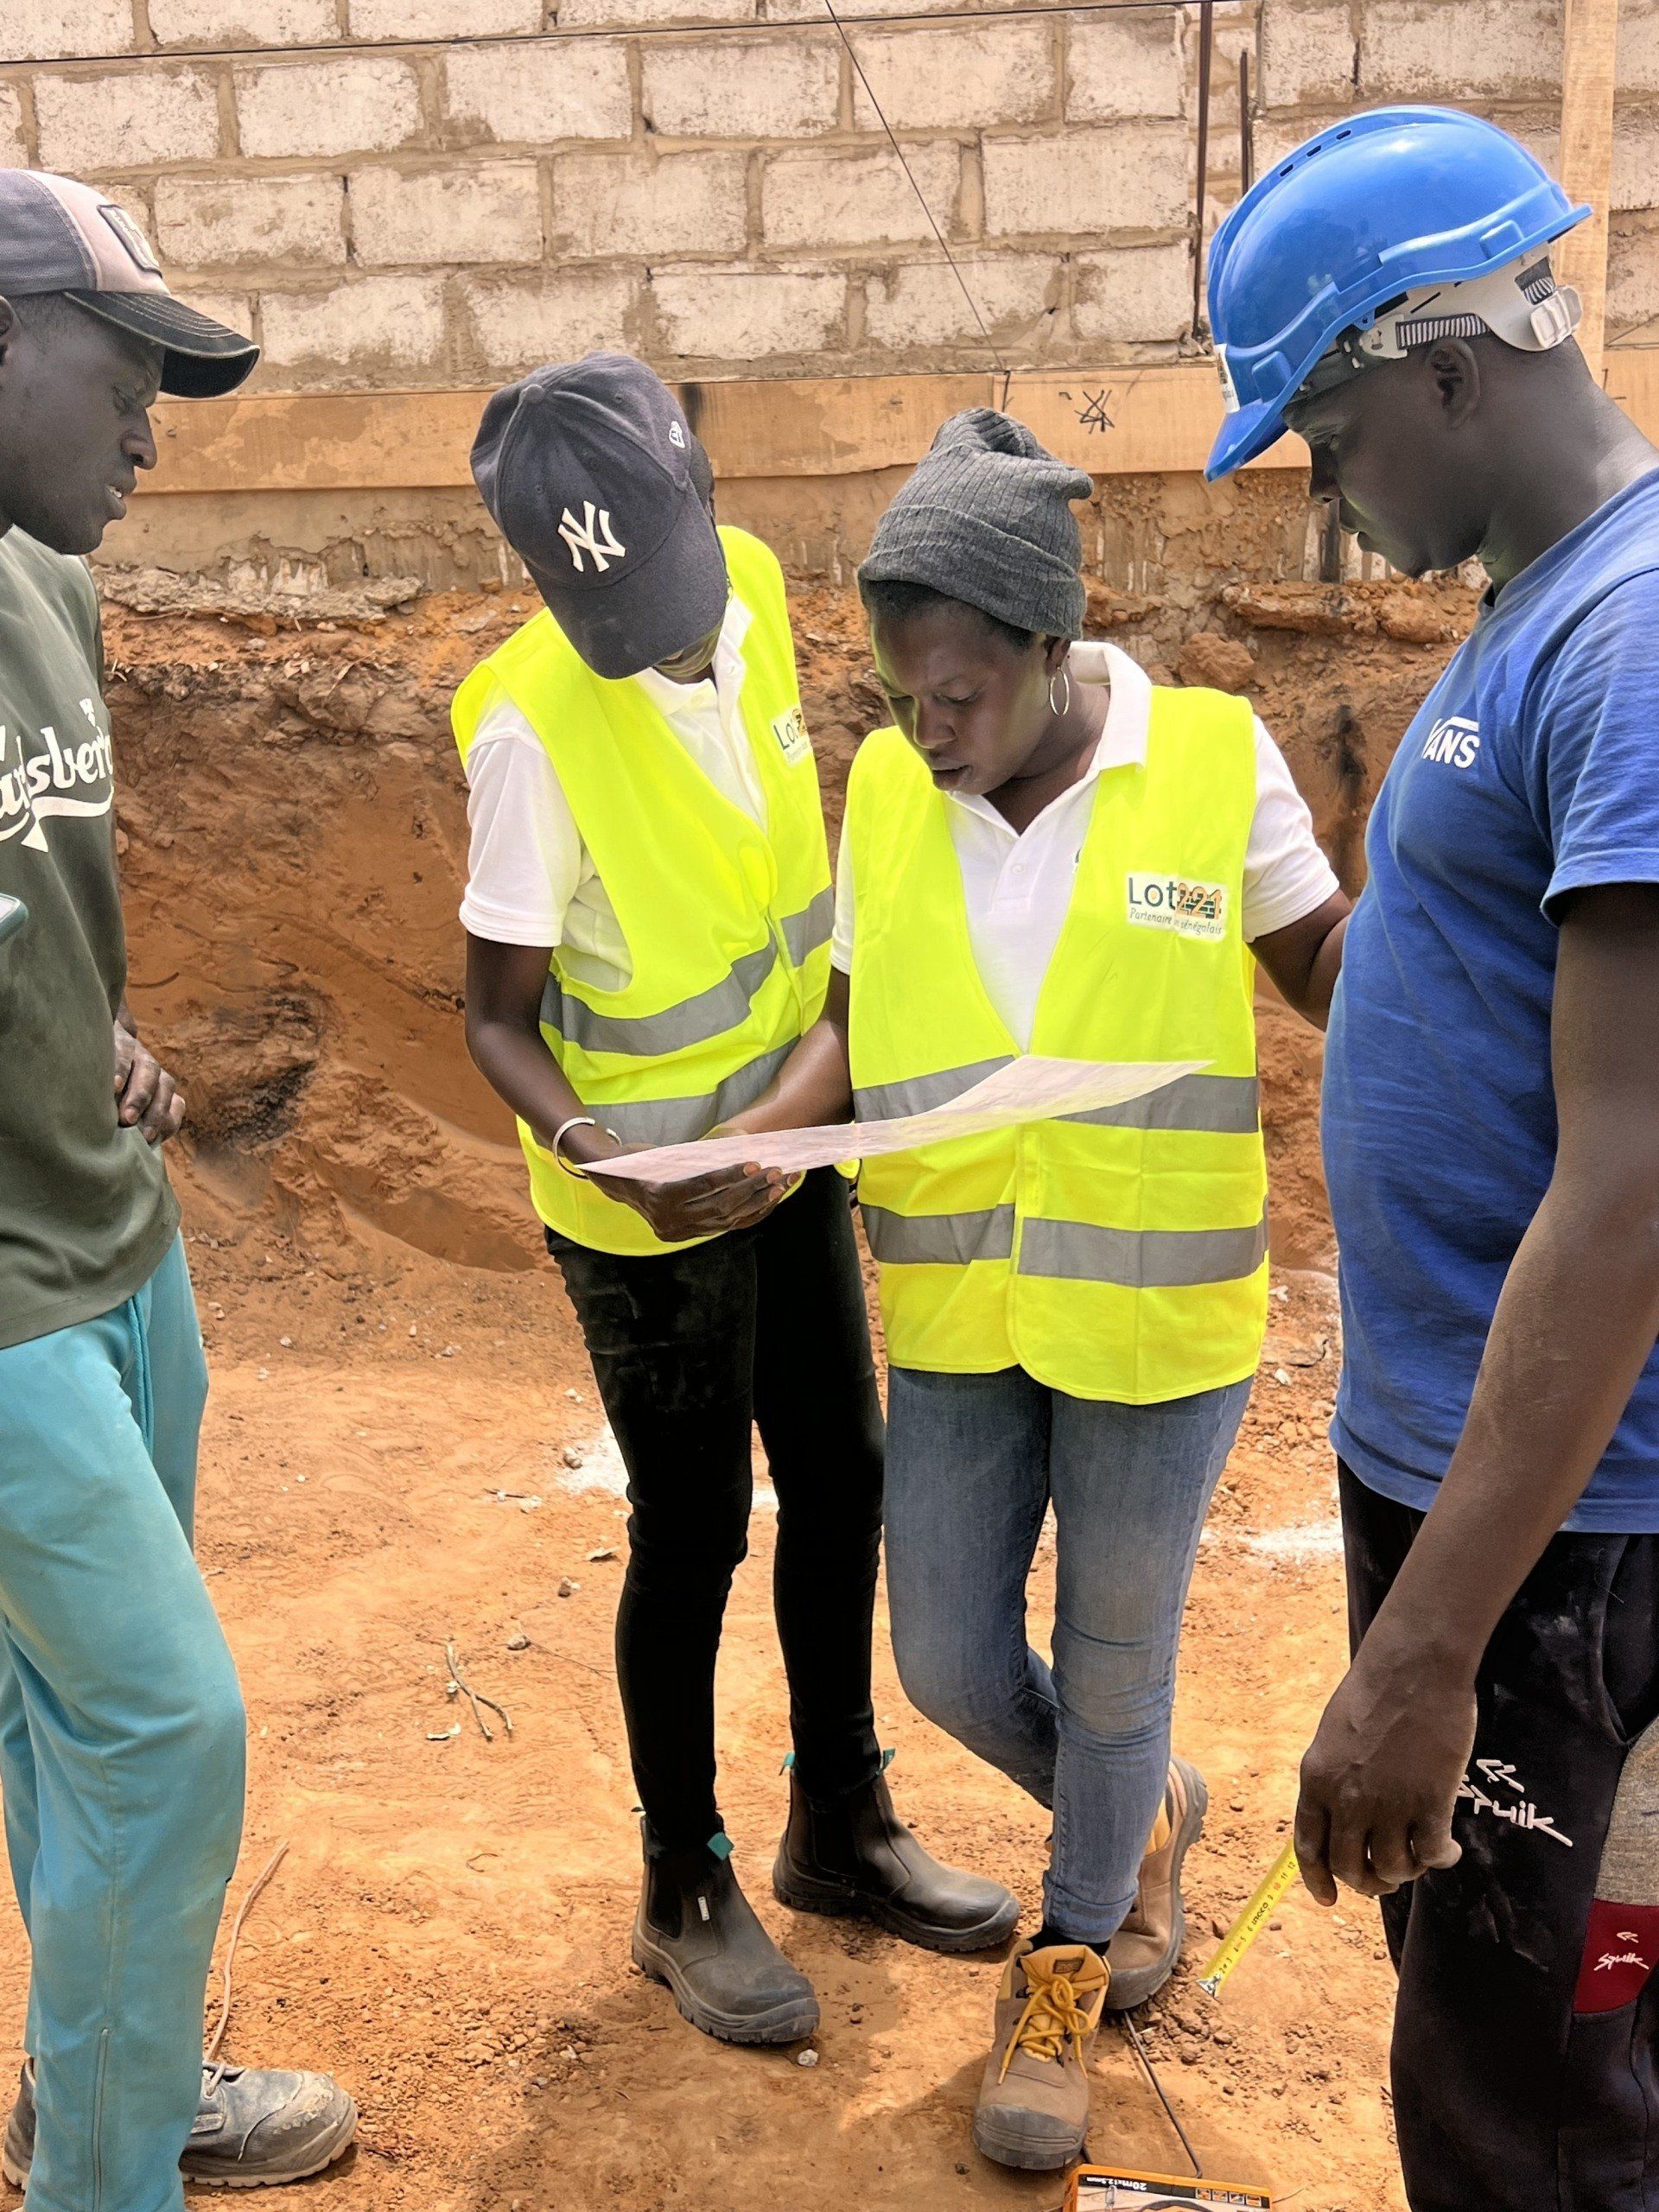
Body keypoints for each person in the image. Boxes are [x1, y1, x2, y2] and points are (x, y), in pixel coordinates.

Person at [722, 409, 1349, 2168]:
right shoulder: (891, 798)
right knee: (936, 1649)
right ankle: (1136, 1797)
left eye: (959, 693)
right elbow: (848, 1021)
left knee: (1116, 1648)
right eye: (902, 693)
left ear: (1050, 644)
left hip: (1156, 1321)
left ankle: (1065, 1969)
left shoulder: (1214, 762)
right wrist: (753, 1139)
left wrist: (1466, 986)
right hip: (963, 1309)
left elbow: (1326, 965)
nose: (926, 725)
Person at [452, 354, 1017, 2051]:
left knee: (842, 1473)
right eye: (612, 610)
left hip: (791, 1144)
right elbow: (491, 1012)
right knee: (695, 1530)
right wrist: (606, 1152)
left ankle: (836, 1819)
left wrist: (793, 1104)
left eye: (674, 584)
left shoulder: (763, 591)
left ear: (707, 501)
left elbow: (793, 870)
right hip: (654, 1224)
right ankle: (681, 1877)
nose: (668, 637)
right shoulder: (533, 732)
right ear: (551, 582)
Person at [1206, 105, 1659, 2210]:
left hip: (1565, 1561)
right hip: (1502, 1511)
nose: (1320, 493)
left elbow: (1630, 1174)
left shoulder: (1632, 637)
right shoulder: (1549, 613)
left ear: (1449, 374)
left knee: (1522, 2096)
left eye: (1325, 436)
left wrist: (1423, 1650)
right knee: (1563, 2013)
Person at [0, 170, 358, 2212]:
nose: (153, 430)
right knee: (164, 1729)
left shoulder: (48, 575)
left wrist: (97, 1029)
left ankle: (98, 2078)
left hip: (118, 1240)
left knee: (70, 1732)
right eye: (123, 377)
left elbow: (35, 889)